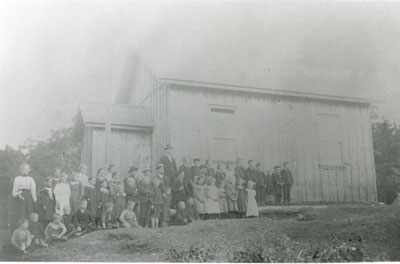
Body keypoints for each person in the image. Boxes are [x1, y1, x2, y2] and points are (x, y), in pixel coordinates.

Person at [11, 163, 37, 230]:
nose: (25, 170)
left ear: (29, 170)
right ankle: (19, 232)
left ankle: (29, 232)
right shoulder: (17, 179)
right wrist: (18, 195)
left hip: (29, 198)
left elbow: (33, 192)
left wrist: (34, 201)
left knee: (29, 213)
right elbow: (14, 192)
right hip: (19, 199)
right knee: (21, 214)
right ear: (20, 170)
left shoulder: (31, 179)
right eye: (23, 169)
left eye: (26, 169)